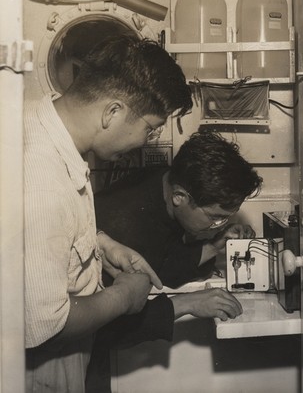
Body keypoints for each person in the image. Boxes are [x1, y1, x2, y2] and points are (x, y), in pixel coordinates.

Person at [24, 35, 193, 393]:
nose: (145, 142)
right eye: (149, 128)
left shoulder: (42, 128)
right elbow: (43, 325)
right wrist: (124, 298)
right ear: (112, 112)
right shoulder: (41, 178)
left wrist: (101, 244)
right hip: (43, 370)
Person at [86, 131, 263, 392]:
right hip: (80, 353)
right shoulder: (127, 226)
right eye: (215, 217)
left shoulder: (163, 184)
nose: (219, 224)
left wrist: (214, 246)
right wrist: (188, 303)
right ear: (180, 197)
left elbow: (160, 266)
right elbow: (105, 330)